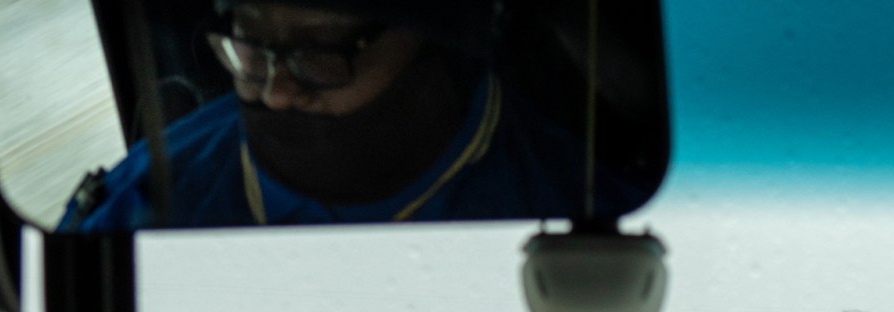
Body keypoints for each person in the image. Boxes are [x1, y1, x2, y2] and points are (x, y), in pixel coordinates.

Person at [62, 1, 640, 230]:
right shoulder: (135, 206)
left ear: (426, 36)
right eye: (251, 50)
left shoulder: (583, 212)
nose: (279, 92)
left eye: (319, 51)